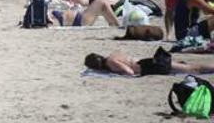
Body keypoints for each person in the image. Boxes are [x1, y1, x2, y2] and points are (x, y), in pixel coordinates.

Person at [84, 51, 214, 77]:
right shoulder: (113, 54)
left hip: (149, 66)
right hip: (148, 60)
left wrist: (119, 73)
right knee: (190, 67)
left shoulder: (111, 62)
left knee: (193, 69)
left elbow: (130, 71)